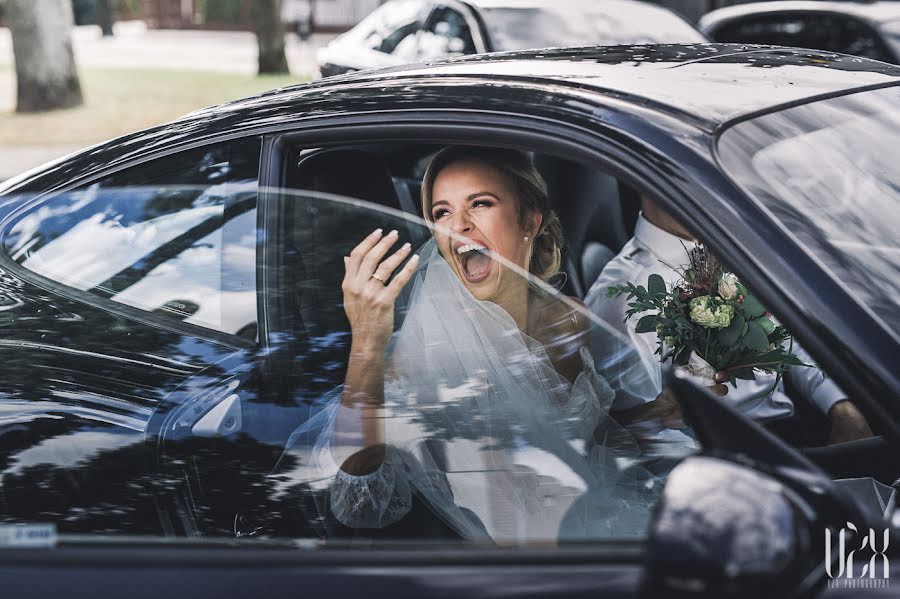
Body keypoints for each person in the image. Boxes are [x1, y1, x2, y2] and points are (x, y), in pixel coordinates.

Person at [272, 147, 662, 543]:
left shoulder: (572, 317)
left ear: (529, 219)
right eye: (441, 213)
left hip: (604, 522)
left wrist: (663, 410)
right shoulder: (426, 350)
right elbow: (358, 488)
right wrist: (368, 341)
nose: (458, 226)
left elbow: (588, 443)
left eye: (479, 204)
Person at [585, 195, 873, 445]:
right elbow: (639, 443)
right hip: (728, 460)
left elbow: (785, 331)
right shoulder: (627, 300)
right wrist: (677, 409)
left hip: (795, 423)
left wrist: (839, 404)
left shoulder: (730, 243)